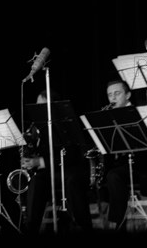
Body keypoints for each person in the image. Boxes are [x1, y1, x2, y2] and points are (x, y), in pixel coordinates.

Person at [21, 90, 93, 235]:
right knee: (37, 181)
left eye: (41, 106)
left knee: (73, 181)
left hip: (73, 168)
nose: (37, 110)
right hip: (50, 172)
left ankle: (82, 226)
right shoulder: (38, 127)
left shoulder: (67, 123)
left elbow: (73, 155)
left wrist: (40, 161)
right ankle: (31, 228)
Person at [98, 79, 147, 231]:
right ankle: (113, 220)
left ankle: (117, 224)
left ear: (128, 95)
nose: (113, 98)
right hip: (120, 167)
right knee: (108, 176)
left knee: (114, 175)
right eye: (110, 95)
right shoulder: (108, 116)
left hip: (143, 167)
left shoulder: (141, 114)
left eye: (117, 93)